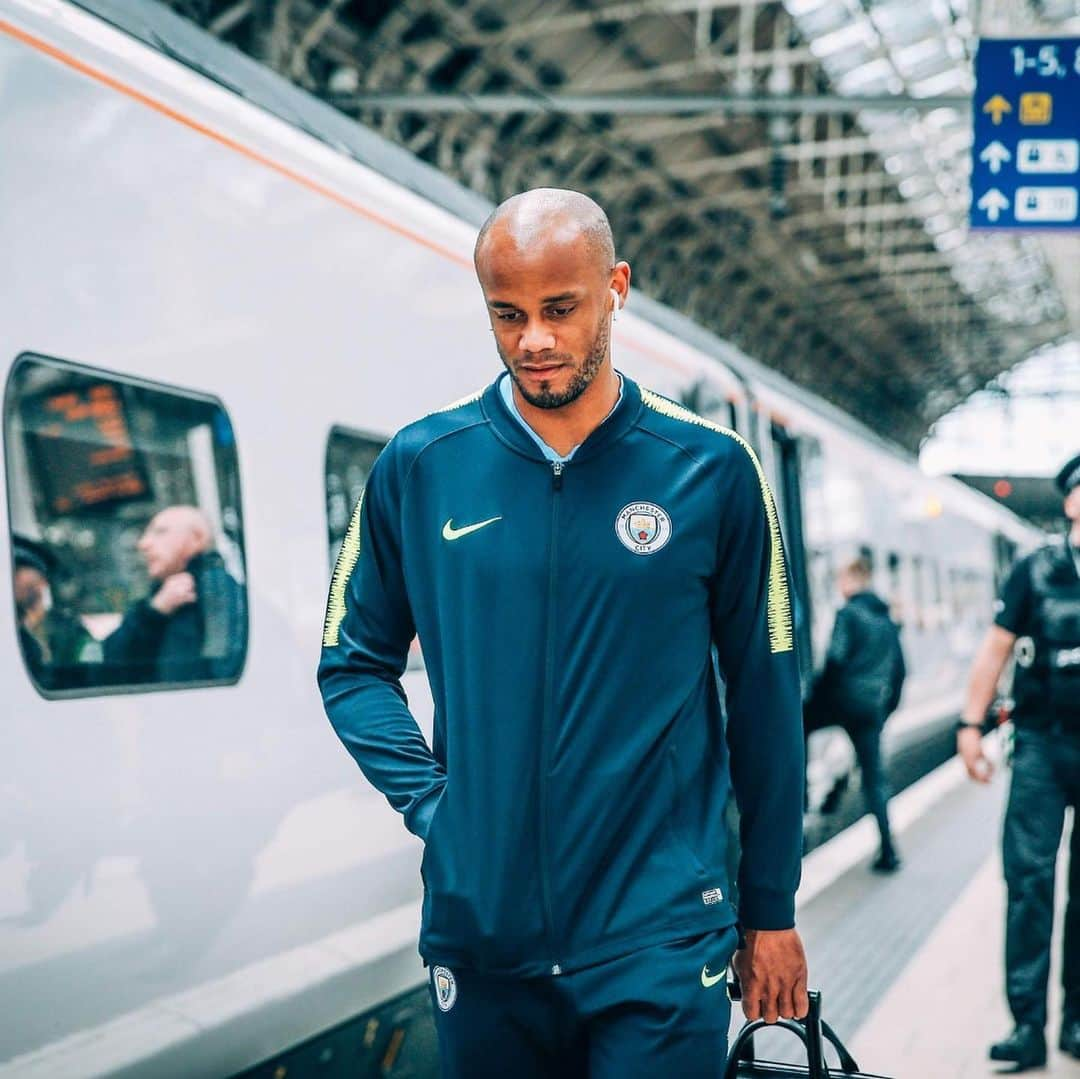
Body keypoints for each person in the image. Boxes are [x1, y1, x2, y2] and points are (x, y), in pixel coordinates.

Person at [318, 188, 808, 1077]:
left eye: (559, 309)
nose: (532, 340)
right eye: (507, 315)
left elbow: (766, 697)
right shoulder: (421, 466)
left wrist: (770, 907)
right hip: (482, 936)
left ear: (615, 288)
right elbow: (351, 665)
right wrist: (436, 808)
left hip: (659, 933)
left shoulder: (711, 470)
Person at [959, 452, 1080, 1071]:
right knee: (1029, 883)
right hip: (1040, 744)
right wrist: (970, 725)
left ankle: (1078, 1021)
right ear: (1069, 501)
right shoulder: (1035, 570)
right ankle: (1027, 1024)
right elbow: (995, 649)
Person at [812, 557, 905, 872]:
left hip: (844, 701)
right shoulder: (886, 619)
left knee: (795, 727)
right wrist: (885, 709)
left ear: (853, 580)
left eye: (841, 579)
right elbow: (900, 671)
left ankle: (803, 800)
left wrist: (817, 699)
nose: (840, 586)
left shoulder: (847, 613)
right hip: (873, 706)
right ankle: (889, 850)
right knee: (874, 778)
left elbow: (835, 660)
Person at [103, 505, 244, 684]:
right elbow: (113, 661)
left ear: (197, 539)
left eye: (160, 532)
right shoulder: (156, 601)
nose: (143, 544)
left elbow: (219, 674)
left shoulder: (217, 590)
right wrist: (154, 612)